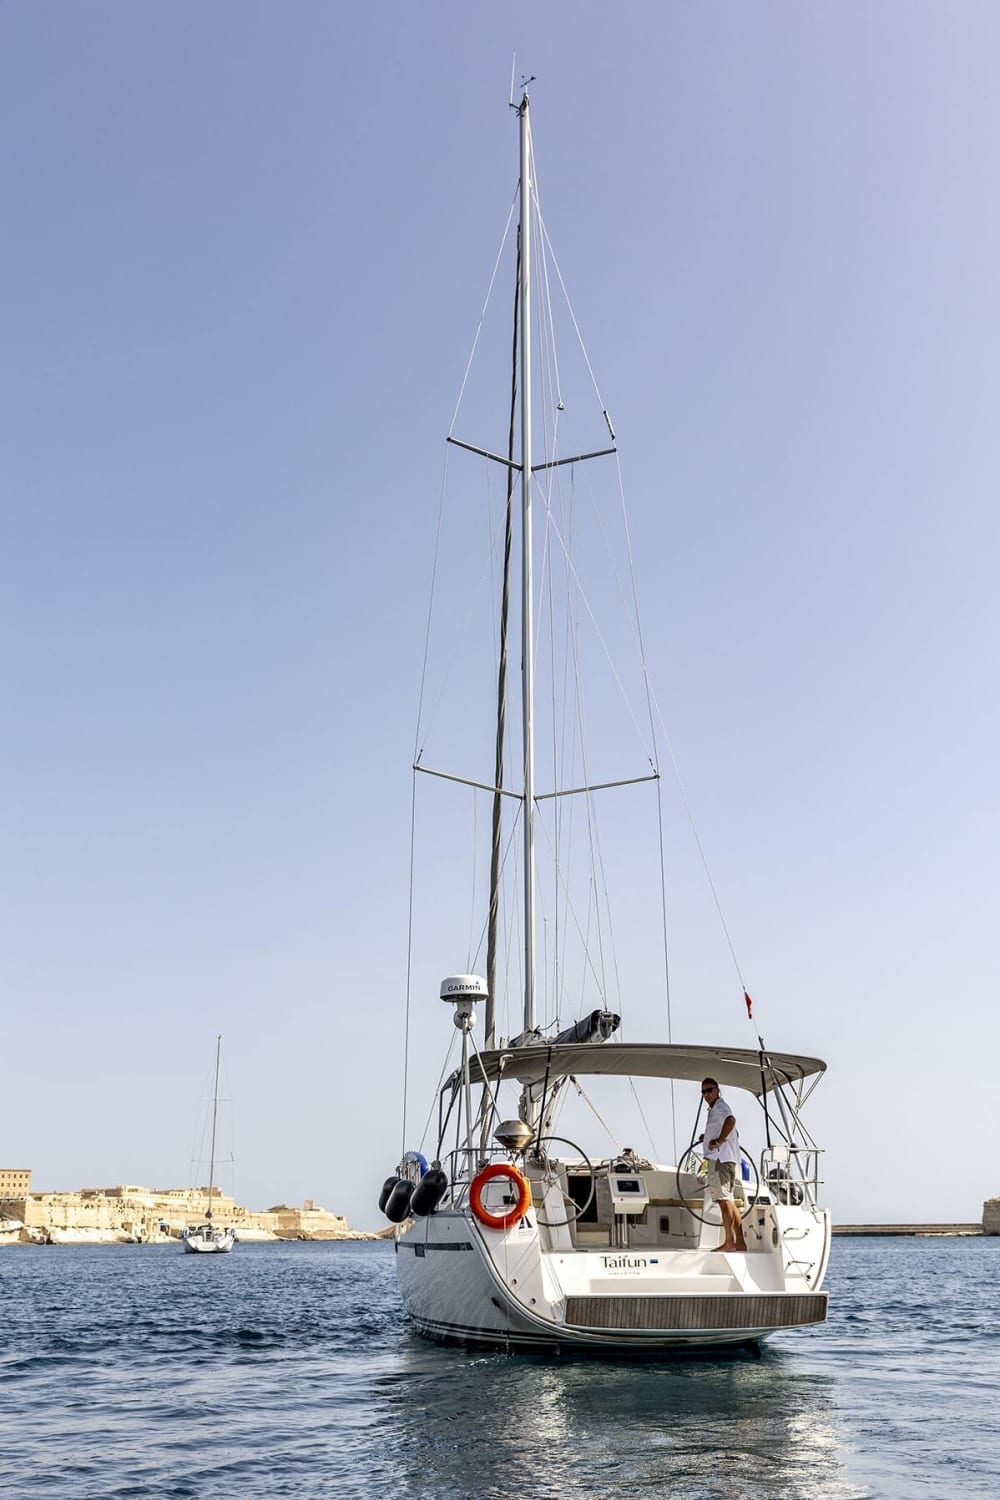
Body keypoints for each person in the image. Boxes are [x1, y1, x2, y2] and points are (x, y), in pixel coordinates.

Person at [700, 1077, 747, 1252]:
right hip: (728, 1159)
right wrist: (706, 1138)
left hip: (720, 1160)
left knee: (723, 1200)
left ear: (717, 1090)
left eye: (709, 1090)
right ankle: (740, 1242)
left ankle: (729, 1242)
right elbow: (725, 1125)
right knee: (728, 1200)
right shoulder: (715, 1109)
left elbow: (731, 1121)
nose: (706, 1094)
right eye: (703, 1092)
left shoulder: (720, 1107)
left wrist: (718, 1141)